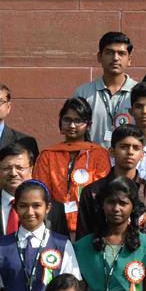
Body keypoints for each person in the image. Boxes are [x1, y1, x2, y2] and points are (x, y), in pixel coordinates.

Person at [75, 125, 146, 251]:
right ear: (111, 151)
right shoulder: (92, 192)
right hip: (99, 262)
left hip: (142, 265)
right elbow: (82, 239)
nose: (130, 152)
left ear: (142, 154)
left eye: (136, 148)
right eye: (124, 147)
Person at [0, 143, 67, 251]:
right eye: (7, 168)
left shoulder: (55, 211)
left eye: (20, 168)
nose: (13, 173)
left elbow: (62, 250)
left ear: (31, 170)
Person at [32, 97, 111, 236]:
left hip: (89, 224)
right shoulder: (48, 155)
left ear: (88, 125)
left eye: (78, 121)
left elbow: (101, 192)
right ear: (60, 122)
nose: (72, 125)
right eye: (67, 120)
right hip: (54, 225)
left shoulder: (98, 154)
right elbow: (41, 191)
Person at [72, 31, 137, 150]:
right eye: (109, 52)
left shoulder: (138, 92)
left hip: (129, 163)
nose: (115, 58)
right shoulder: (83, 94)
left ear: (129, 59)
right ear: (99, 57)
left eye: (121, 53)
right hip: (91, 162)